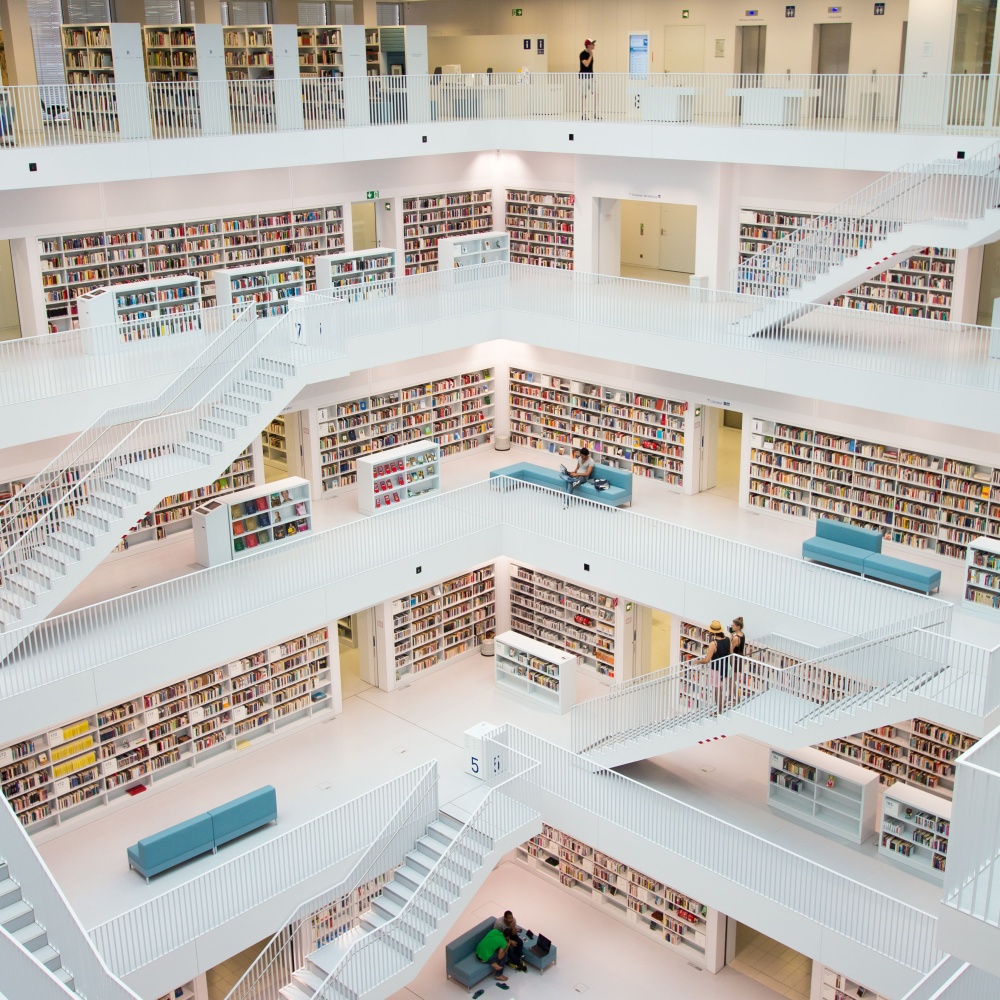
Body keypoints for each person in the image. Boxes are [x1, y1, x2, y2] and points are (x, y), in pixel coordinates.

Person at [694, 620, 731, 713]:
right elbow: (730, 653)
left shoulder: (713, 644)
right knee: (722, 687)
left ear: (712, 632)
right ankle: (722, 706)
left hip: (716, 669)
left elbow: (707, 660)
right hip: (725, 666)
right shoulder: (727, 639)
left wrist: (698, 661)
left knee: (716, 689)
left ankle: (719, 710)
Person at [579, 38, 596, 119]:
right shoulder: (582, 54)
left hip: (591, 77)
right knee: (584, 95)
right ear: (589, 45)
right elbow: (586, 64)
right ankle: (583, 114)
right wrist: (591, 55)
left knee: (596, 93)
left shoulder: (590, 54)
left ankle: (595, 113)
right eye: (593, 44)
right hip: (584, 77)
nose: (594, 45)